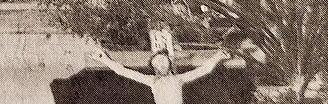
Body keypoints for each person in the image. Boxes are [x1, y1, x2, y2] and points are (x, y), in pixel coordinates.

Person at [89, 48, 231, 104]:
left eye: (163, 61)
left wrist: (217, 57)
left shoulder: (178, 79)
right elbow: (124, 71)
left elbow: (204, 70)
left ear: (169, 63)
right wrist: (103, 59)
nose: (161, 64)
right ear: (154, 68)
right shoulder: (152, 81)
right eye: (157, 63)